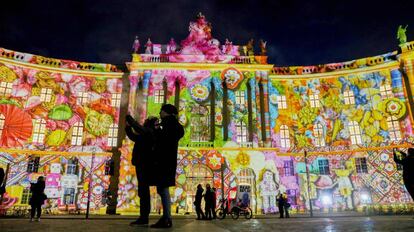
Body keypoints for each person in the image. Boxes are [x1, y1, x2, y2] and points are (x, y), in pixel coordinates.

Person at [150, 104, 184, 228]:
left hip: (163, 161)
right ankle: (166, 217)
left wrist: (155, 129)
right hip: (167, 161)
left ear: (166, 112)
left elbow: (161, 140)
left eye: (161, 111)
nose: (159, 113)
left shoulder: (167, 125)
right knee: (162, 189)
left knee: (163, 189)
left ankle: (167, 218)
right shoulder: (173, 125)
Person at [126, 115, 158, 226]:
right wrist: (128, 128)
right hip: (142, 164)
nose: (144, 121)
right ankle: (143, 217)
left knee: (143, 192)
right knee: (143, 191)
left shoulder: (149, 132)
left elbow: (138, 129)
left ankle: (144, 217)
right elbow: (134, 137)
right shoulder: (146, 133)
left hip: (145, 165)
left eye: (146, 121)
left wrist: (130, 119)